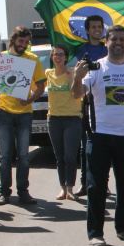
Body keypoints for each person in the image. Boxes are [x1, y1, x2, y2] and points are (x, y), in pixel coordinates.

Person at [72, 25, 124, 246]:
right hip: (99, 136)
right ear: (106, 42)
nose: (118, 43)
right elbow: (77, 94)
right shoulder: (97, 68)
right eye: (113, 39)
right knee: (96, 186)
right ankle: (95, 233)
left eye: (122, 39)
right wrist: (77, 77)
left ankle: (123, 228)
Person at [0, 26, 46, 206]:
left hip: (24, 113)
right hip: (3, 112)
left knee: (23, 156)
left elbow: (41, 87)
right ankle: (4, 192)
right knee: (5, 156)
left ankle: (23, 191)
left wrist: (29, 99)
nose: (23, 45)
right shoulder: (1, 58)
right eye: (21, 41)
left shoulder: (32, 59)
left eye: (26, 42)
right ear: (13, 40)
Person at [75, 15, 108, 197]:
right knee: (85, 146)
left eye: (99, 26)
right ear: (87, 30)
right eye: (93, 27)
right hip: (86, 103)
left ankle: (105, 182)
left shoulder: (107, 49)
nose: (97, 29)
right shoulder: (81, 51)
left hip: (105, 104)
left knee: (104, 146)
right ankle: (84, 183)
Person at [46, 44, 82, 202]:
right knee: (59, 156)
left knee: (70, 156)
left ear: (66, 57)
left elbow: (78, 95)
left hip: (72, 118)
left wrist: (72, 79)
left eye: (61, 54)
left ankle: (70, 188)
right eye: (55, 54)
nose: (58, 57)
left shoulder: (72, 72)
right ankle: (62, 188)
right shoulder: (48, 73)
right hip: (53, 118)